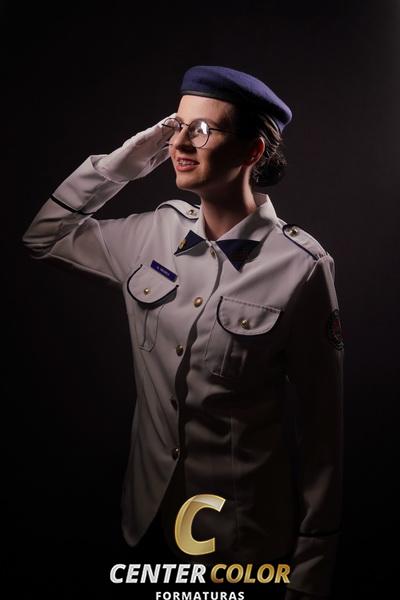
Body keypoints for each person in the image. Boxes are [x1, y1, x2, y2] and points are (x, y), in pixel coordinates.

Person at [22, 65, 344, 599]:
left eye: (203, 130)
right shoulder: (153, 232)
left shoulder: (303, 266)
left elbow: (322, 434)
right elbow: (42, 238)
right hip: (144, 523)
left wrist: (311, 570)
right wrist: (121, 165)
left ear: (252, 151)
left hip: (238, 542)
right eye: (177, 126)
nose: (179, 143)